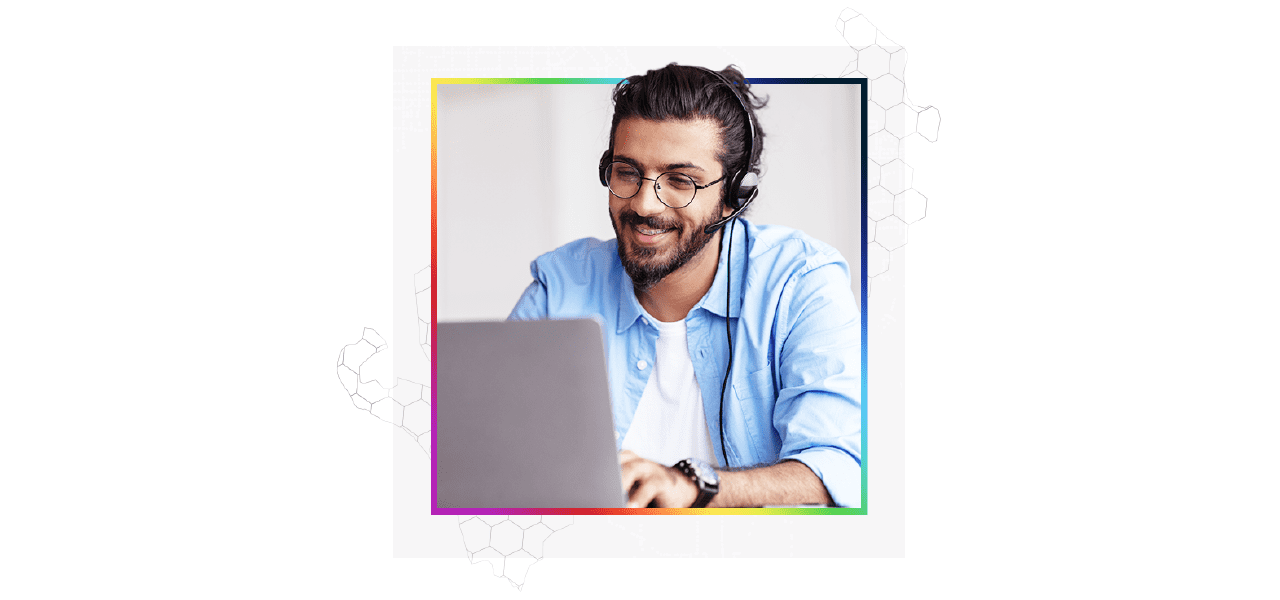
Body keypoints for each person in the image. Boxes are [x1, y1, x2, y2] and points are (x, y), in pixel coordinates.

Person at [508, 63, 861, 508]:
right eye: (627, 172)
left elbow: (839, 467)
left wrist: (695, 485)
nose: (643, 203)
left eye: (680, 181)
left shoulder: (802, 283)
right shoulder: (559, 289)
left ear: (736, 194)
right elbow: (494, 454)